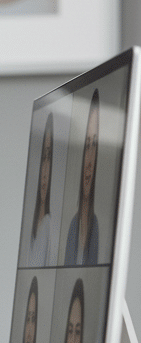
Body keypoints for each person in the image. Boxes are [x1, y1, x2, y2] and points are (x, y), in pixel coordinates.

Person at [63, 90, 100, 266]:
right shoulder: (72, 225)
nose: (89, 160)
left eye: (94, 144)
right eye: (87, 145)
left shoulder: (96, 225)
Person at [26, 114, 55, 267]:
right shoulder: (28, 224)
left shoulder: (48, 225)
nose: (45, 171)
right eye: (43, 158)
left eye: (49, 158)